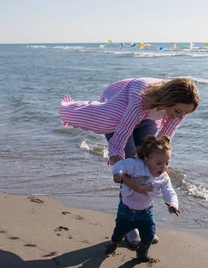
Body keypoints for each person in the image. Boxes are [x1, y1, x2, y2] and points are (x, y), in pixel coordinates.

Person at [60, 77, 199, 245]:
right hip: (120, 111)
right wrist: (124, 174)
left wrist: (159, 165)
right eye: (178, 112)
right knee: (131, 165)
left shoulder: (179, 109)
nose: (180, 117)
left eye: (186, 113)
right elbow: (120, 137)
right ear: (169, 100)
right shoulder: (142, 98)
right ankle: (128, 225)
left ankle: (143, 222)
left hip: (147, 116)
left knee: (148, 162)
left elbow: (163, 141)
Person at [105, 135, 180, 262]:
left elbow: (169, 191)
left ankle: (142, 252)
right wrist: (118, 173)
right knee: (119, 232)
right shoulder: (136, 165)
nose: (163, 167)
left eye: (167, 163)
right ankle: (114, 242)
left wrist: (173, 203)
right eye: (159, 163)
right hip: (126, 210)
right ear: (146, 160)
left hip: (146, 212)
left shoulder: (163, 177)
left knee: (149, 234)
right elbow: (120, 165)